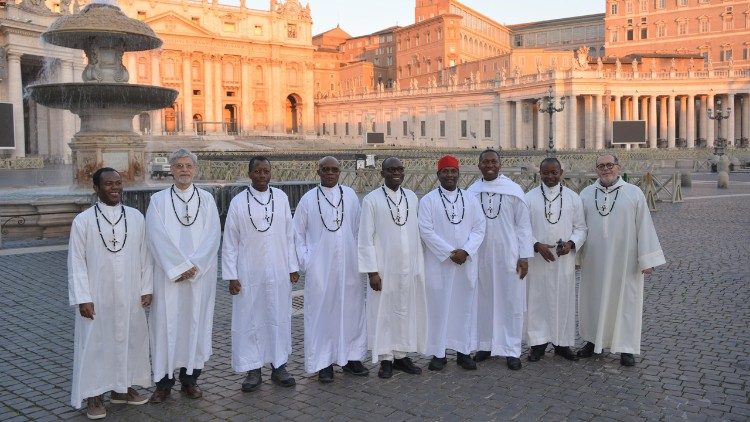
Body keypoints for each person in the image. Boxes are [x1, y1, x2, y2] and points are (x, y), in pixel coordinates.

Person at [68, 168, 152, 419]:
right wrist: (83, 297)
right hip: (97, 293)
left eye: (118, 183)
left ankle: (122, 388)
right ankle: (94, 395)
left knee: (129, 338)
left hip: (129, 291)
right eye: (108, 184)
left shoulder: (136, 217)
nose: (114, 188)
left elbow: (145, 256)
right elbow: (76, 262)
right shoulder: (82, 221)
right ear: (96, 188)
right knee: (95, 343)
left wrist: (146, 288)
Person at [145, 149, 221, 403]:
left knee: (195, 324)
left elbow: (213, 235)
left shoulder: (207, 200)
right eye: (179, 166)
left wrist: (195, 266)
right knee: (165, 326)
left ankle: (191, 380)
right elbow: (155, 235)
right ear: (171, 169)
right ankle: (163, 383)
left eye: (188, 165)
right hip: (169, 277)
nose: (184, 170)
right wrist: (177, 267)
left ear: (195, 169)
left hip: (200, 276)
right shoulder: (158, 200)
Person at [577, 154, 665, 366]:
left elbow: (644, 226)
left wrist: (647, 259)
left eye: (610, 165)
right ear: (596, 170)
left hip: (626, 260)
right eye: (601, 166)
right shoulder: (586, 194)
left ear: (618, 167)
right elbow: (579, 227)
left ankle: (626, 348)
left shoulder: (634, 193)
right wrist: (577, 257)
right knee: (593, 299)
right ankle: (592, 341)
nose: (606, 169)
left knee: (626, 302)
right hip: (594, 260)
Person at [223, 156, 300, 390]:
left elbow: (289, 235)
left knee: (278, 317)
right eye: (257, 171)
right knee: (250, 319)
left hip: (277, 270)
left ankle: (279, 366)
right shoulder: (238, 202)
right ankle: (253, 369)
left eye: (266, 171)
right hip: (249, 272)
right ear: (250, 174)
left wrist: (293, 266)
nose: (262, 175)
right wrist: (231, 275)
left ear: (271, 174)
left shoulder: (281, 198)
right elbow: (230, 241)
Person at [294, 156, 368, 383]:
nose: (329, 173)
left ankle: (352, 356)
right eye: (325, 169)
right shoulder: (308, 199)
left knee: (351, 311)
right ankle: (323, 362)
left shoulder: (351, 196)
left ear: (340, 172)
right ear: (318, 172)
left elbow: (358, 231)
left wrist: (361, 261)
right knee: (321, 313)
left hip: (349, 266)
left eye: (334, 169)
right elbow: (297, 234)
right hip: (320, 268)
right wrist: (308, 261)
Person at [358, 156, 427, 379]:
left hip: (408, 266)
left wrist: (417, 265)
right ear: (382, 173)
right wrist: (372, 272)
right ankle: (386, 358)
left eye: (399, 169)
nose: (395, 173)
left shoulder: (412, 197)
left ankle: (401, 355)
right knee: (383, 312)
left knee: (404, 310)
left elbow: (415, 234)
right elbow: (365, 238)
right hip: (384, 268)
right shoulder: (371, 200)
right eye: (391, 169)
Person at [467, 149, 533, 370]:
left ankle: (511, 349)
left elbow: (523, 227)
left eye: (493, 162)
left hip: (509, 255)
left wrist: (524, 256)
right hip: (481, 256)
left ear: (500, 164)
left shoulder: (513, 191)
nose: (489, 165)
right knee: (482, 301)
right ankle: (484, 344)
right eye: (485, 162)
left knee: (510, 301)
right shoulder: (472, 192)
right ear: (479, 166)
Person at [418, 155, 486, 371]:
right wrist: (449, 252)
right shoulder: (428, 200)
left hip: (465, 262)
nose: (449, 175)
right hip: (439, 265)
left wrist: (465, 251)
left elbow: (479, 227)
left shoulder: (470, 199)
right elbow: (425, 230)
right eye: (445, 171)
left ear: (458, 174)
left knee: (464, 307)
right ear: (438, 175)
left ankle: (463, 351)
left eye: (453, 171)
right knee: (438, 307)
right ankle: (438, 353)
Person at [524, 157, 587, 362]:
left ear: (561, 173)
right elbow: (522, 229)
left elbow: (581, 228)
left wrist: (571, 244)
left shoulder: (572, 197)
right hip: (537, 259)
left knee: (563, 299)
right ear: (539, 173)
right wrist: (536, 245)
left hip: (563, 259)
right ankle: (538, 343)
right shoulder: (529, 198)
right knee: (536, 300)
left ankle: (562, 343)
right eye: (546, 173)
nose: (550, 176)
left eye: (554, 172)